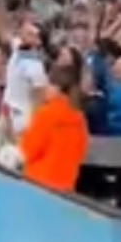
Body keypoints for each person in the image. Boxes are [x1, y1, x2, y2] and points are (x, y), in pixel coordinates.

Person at [19, 64, 90, 193]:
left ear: (57, 88)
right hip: (66, 185)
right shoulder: (79, 118)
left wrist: (23, 134)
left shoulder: (45, 114)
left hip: (38, 183)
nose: (45, 88)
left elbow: (28, 150)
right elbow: (81, 150)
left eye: (49, 84)